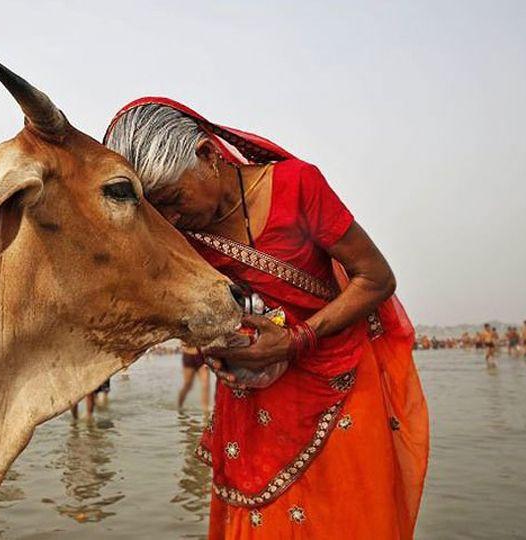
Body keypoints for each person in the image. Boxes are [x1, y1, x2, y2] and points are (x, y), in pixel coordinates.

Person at [105, 99, 428, 538]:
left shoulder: (298, 188)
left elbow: (375, 278)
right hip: (253, 396)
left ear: (207, 155)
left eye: (174, 200)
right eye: (160, 212)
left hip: (340, 380)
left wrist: (295, 340)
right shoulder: (180, 234)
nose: (173, 219)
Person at [180, 344, 212, 412]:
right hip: (189, 354)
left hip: (202, 356)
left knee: (205, 385)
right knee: (187, 385)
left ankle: (205, 411)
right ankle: (180, 406)